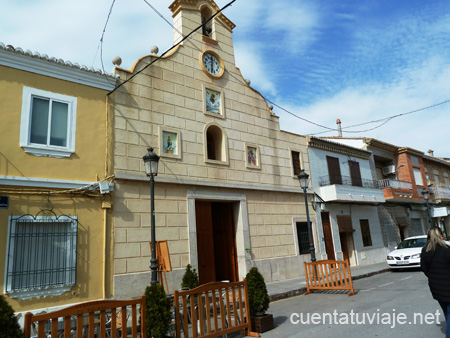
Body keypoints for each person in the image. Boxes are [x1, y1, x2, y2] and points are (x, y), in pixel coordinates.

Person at [421, 227, 450, 337]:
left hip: (436, 288)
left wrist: (434, 277)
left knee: (447, 313)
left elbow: (424, 268)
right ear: (441, 236)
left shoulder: (425, 251)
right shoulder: (446, 249)